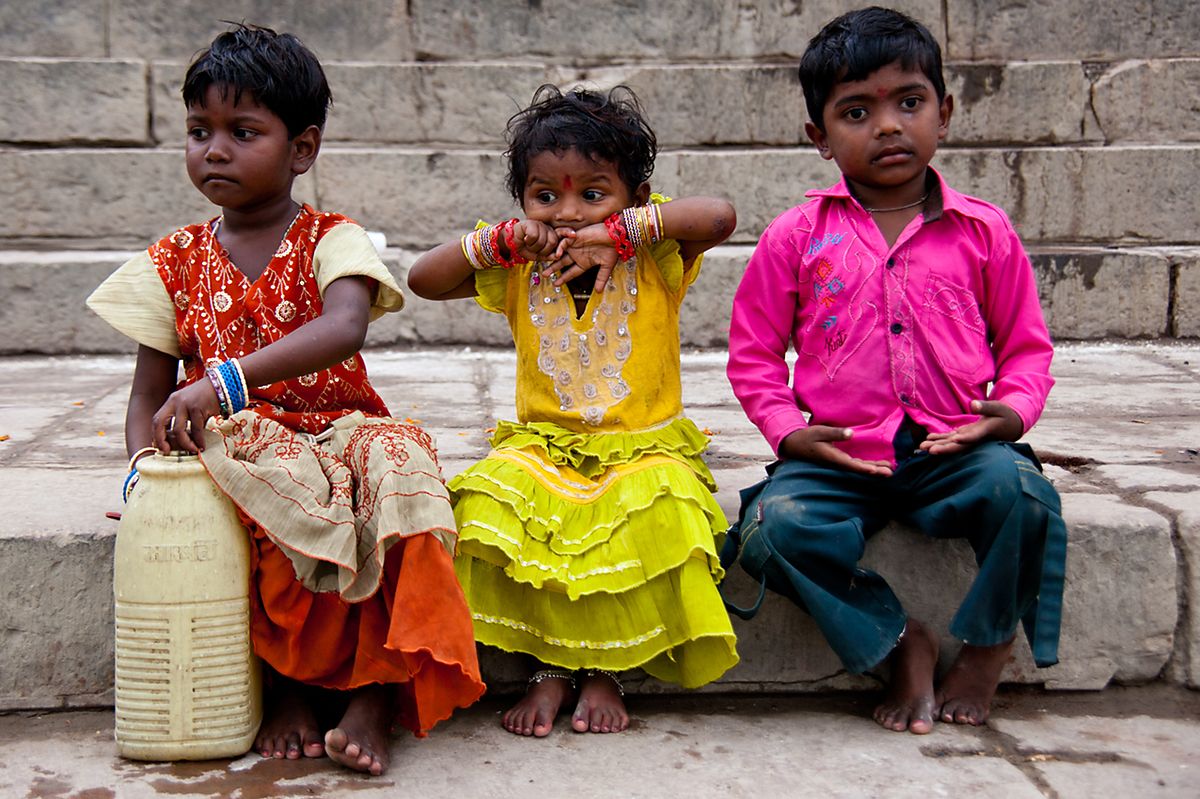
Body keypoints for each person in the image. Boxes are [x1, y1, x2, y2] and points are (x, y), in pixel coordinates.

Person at [86, 24, 484, 775]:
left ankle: (379, 688)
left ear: (302, 149)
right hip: (242, 443)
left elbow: (345, 325)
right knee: (264, 481)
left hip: (342, 424)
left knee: (402, 466)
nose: (214, 149)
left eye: (243, 132)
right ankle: (288, 683)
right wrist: (142, 470)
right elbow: (148, 393)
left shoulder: (334, 238)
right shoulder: (173, 261)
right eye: (199, 131)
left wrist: (226, 377)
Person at [725, 6, 1066, 735]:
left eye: (908, 103)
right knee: (768, 529)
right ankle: (896, 639)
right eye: (857, 111)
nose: (887, 125)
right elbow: (754, 355)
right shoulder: (796, 237)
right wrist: (789, 433)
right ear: (819, 137)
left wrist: (1008, 414)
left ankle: (988, 642)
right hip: (842, 453)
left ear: (943, 113)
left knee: (1024, 496)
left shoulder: (984, 231)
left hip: (955, 447)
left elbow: (1028, 348)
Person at [408, 84, 740, 737]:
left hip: (644, 447)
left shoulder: (655, 250)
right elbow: (423, 279)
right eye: (545, 195)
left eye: (593, 193)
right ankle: (550, 667)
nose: (566, 212)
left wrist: (626, 232)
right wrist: (496, 243)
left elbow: (721, 217)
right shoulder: (516, 261)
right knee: (484, 507)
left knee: (662, 510)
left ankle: (602, 672)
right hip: (544, 446)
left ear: (635, 198)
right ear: (522, 201)